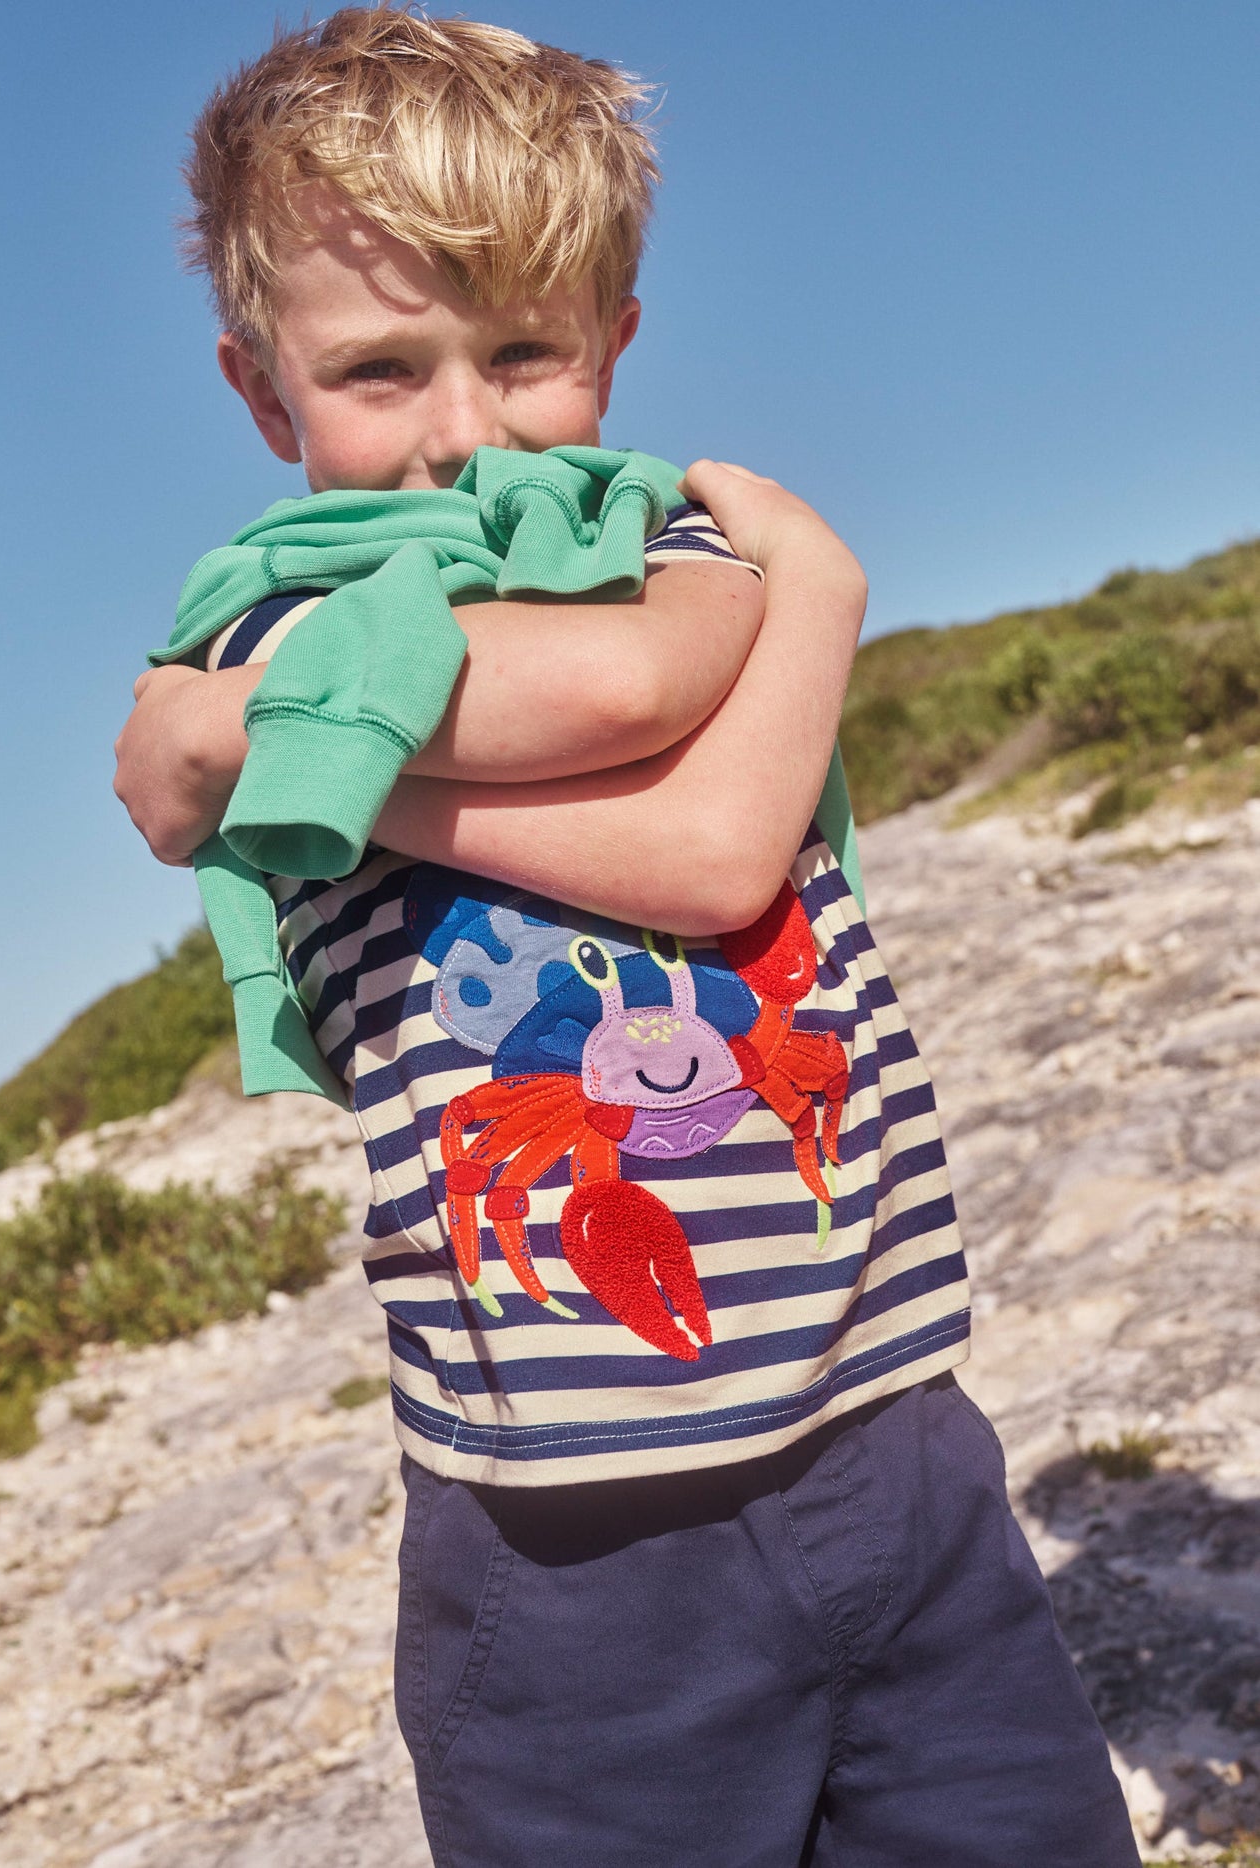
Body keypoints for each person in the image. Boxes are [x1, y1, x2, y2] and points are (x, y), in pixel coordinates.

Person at [113, 11, 1139, 1865]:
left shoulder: (674, 552)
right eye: (376, 370)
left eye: (525, 352)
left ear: (615, 338)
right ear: (263, 397)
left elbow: (675, 761)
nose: (463, 436)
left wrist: (323, 771)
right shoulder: (275, 628)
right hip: (575, 1559)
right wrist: (802, 581)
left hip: (897, 1444)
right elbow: (631, 714)